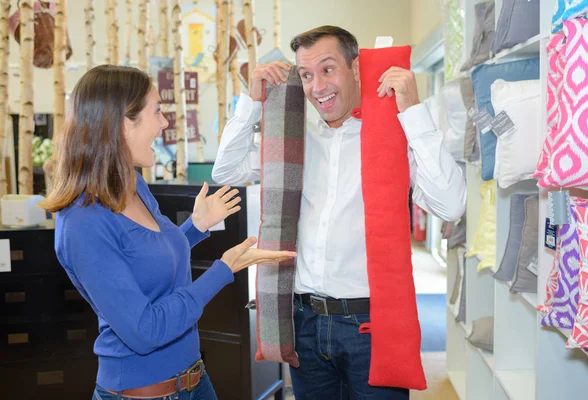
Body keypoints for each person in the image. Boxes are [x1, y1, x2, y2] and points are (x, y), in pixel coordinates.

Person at [212, 26, 467, 399]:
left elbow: (451, 204)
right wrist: (251, 103)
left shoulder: (397, 135)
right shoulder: (292, 141)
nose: (318, 86)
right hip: (306, 323)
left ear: (357, 69)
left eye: (328, 69)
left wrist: (414, 112)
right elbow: (226, 171)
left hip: (372, 325)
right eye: (306, 74)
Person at [39, 65, 296, 400]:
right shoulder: (82, 222)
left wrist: (195, 226)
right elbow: (146, 330)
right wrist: (223, 270)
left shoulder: (132, 184)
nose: (164, 123)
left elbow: (147, 261)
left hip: (194, 381)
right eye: (157, 112)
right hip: (143, 393)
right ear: (120, 125)